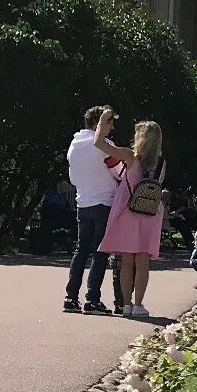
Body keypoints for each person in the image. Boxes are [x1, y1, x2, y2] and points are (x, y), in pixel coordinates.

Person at [98, 118, 167, 320]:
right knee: (143, 262)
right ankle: (139, 304)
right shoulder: (161, 163)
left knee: (127, 260)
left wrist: (103, 122)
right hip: (150, 213)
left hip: (128, 211)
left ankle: (126, 305)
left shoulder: (130, 157)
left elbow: (100, 145)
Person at [64, 103, 119, 314]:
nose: (112, 127)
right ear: (98, 122)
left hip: (83, 201)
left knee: (81, 250)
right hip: (103, 202)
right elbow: (118, 170)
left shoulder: (74, 145)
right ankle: (92, 299)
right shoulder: (103, 144)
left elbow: (73, 176)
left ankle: (71, 297)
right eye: (110, 122)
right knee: (100, 252)